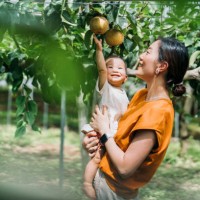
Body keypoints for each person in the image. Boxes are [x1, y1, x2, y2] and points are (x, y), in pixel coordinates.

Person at [83, 37, 189, 200]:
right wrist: (96, 140)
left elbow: (125, 168)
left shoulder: (158, 111)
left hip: (113, 191)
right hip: (104, 179)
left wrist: (104, 131)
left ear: (161, 66)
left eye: (147, 52)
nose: (140, 56)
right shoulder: (142, 96)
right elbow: (119, 139)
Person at [82, 34, 129, 200]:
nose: (114, 70)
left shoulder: (125, 94)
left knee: (109, 159)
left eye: (120, 68)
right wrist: (99, 50)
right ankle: (87, 182)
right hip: (103, 130)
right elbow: (101, 68)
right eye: (110, 67)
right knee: (97, 158)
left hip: (113, 132)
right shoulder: (105, 88)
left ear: (126, 77)